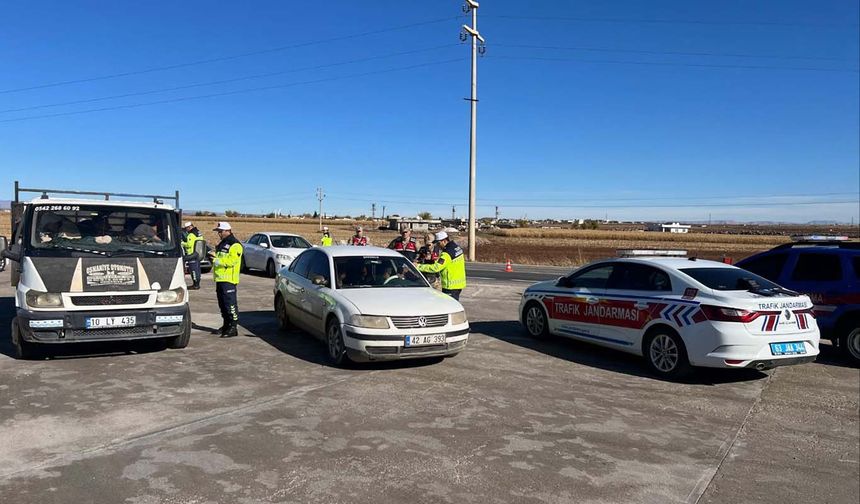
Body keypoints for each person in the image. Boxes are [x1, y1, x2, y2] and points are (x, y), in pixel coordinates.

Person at [209, 222, 243, 338]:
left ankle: (233, 327)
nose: (218, 234)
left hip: (229, 279)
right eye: (218, 231)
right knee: (222, 305)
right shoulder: (223, 243)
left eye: (220, 231)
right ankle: (226, 325)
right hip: (220, 278)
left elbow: (231, 262)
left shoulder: (235, 245)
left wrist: (215, 260)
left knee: (230, 305)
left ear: (227, 231)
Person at [417, 231, 466, 300]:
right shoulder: (456, 247)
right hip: (459, 284)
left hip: (450, 286)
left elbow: (436, 268)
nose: (438, 245)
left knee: (449, 306)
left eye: (438, 243)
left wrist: (418, 266)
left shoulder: (447, 253)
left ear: (444, 241)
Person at [181, 221, 203, 290]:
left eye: (186, 228)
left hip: (192, 254)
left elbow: (189, 244)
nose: (186, 230)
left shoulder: (191, 235)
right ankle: (197, 284)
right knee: (197, 270)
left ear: (190, 227)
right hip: (198, 254)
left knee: (193, 270)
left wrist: (182, 243)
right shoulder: (198, 233)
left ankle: (195, 285)